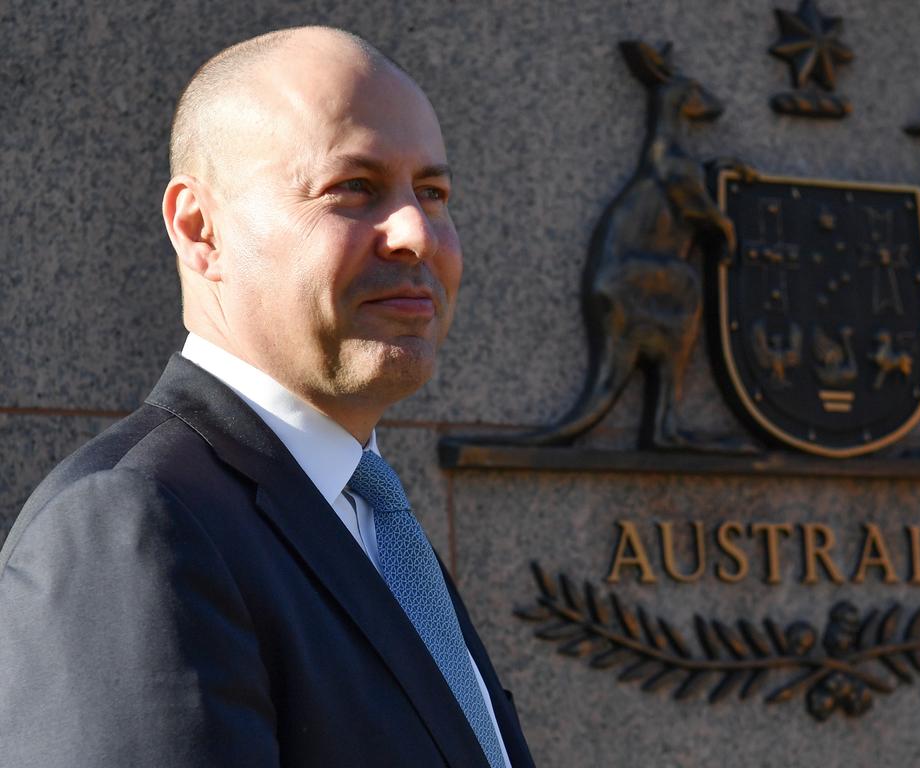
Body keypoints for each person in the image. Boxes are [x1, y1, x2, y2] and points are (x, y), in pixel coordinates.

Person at [0, 26, 535, 767]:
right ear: (200, 228)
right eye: (355, 188)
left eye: (434, 192)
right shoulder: (132, 526)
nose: (417, 231)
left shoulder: (371, 524)